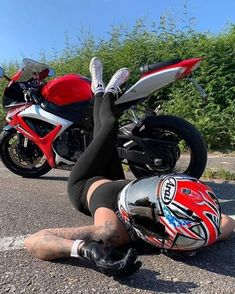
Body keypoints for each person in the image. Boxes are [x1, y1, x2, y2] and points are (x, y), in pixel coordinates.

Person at [24, 57, 235, 277]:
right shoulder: (198, 231)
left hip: (86, 182)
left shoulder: (112, 231)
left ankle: (103, 90)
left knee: (109, 126)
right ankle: (102, 91)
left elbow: (34, 240)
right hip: (115, 181)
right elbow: (225, 222)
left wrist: (84, 249)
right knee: (103, 129)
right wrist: (205, 236)